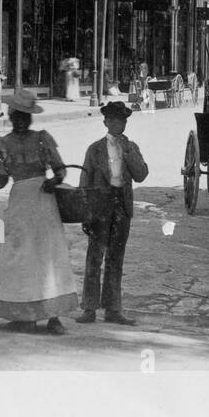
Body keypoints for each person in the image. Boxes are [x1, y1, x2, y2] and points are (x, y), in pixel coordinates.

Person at [0, 89, 79, 335]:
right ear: (10, 115)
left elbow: (60, 170)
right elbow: (0, 181)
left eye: (25, 116)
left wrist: (54, 180)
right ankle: (24, 315)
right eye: (16, 115)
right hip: (20, 203)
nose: (20, 120)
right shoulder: (2, 144)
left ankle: (54, 317)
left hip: (43, 202)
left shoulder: (42, 139)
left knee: (49, 256)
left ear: (30, 118)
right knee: (20, 256)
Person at [75, 101, 149, 326]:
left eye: (124, 120)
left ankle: (113, 309)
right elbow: (84, 183)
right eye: (117, 120)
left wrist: (128, 154)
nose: (121, 124)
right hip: (100, 207)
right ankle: (89, 308)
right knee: (94, 257)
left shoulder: (131, 146)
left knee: (116, 258)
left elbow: (141, 175)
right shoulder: (95, 149)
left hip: (121, 205)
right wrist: (85, 213)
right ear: (106, 122)